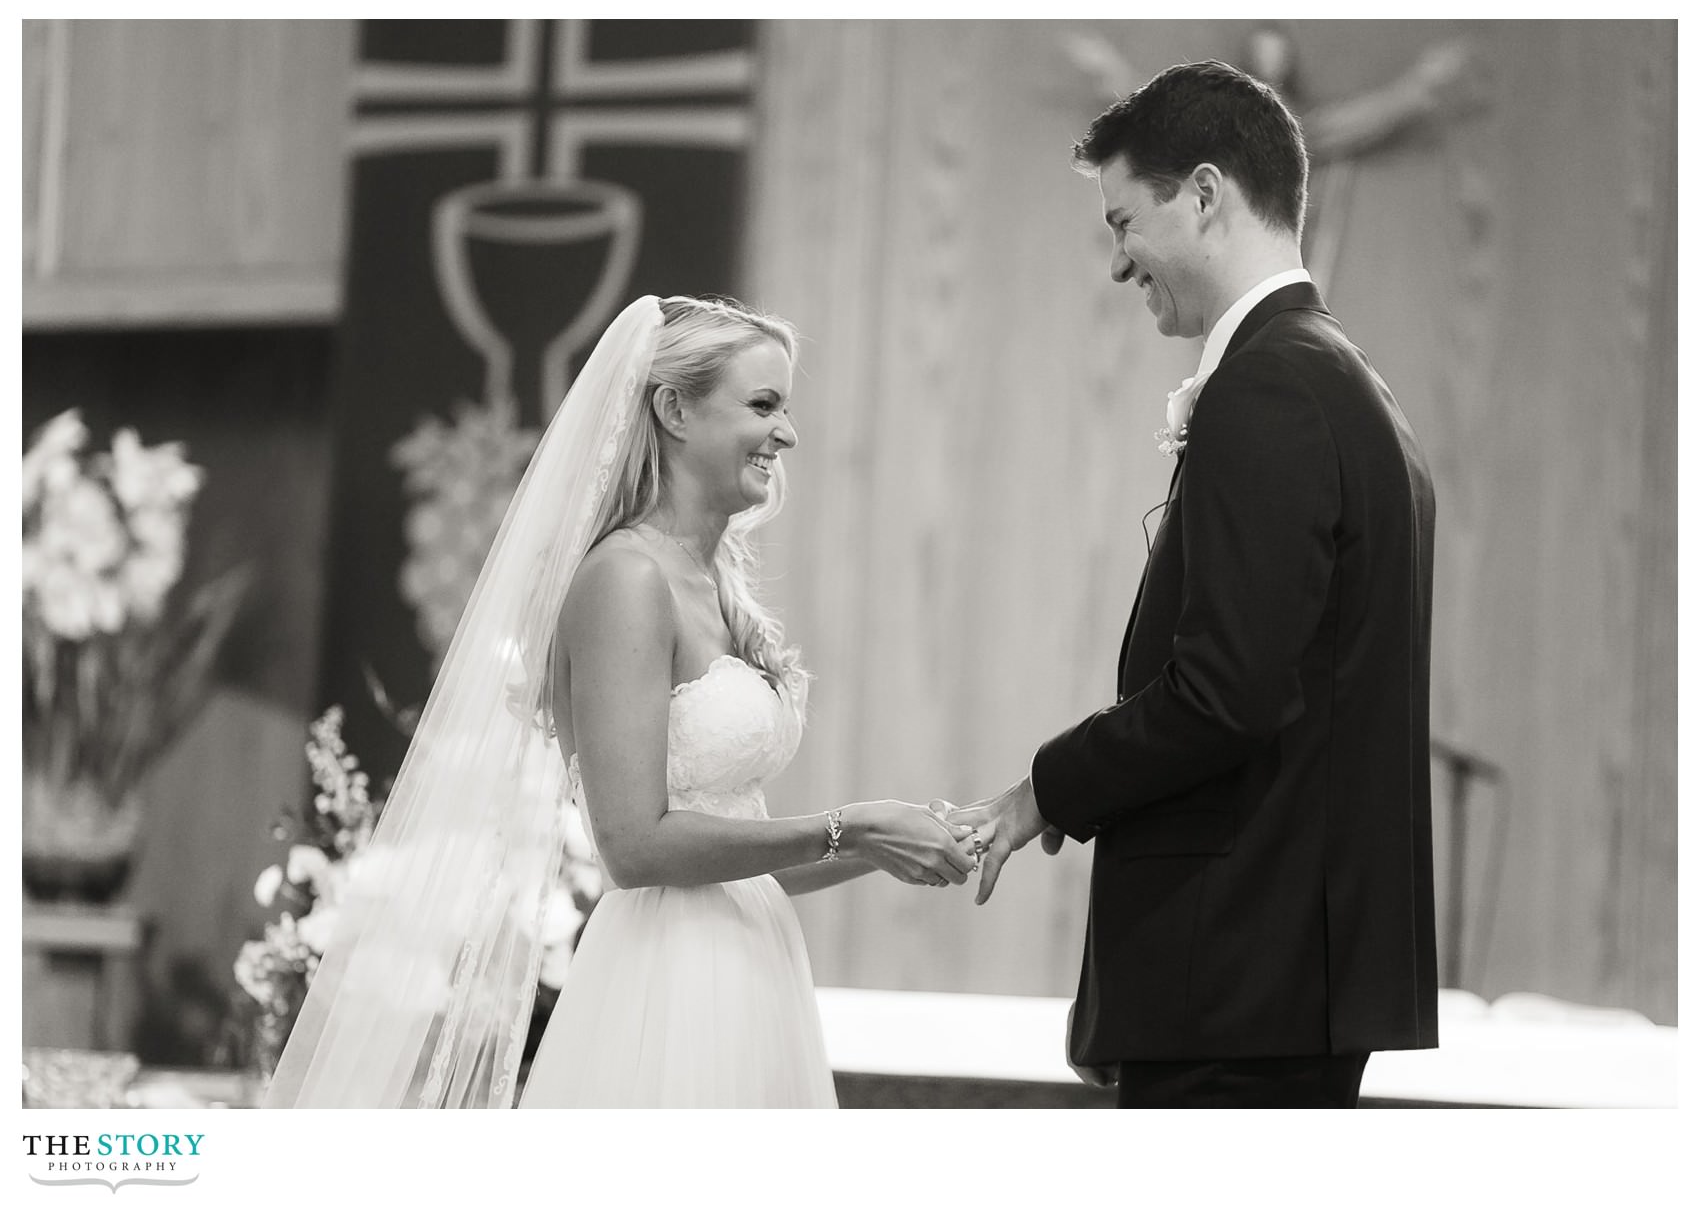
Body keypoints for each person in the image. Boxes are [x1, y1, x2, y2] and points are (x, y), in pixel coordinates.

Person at [264, 295, 978, 1109]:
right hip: (668, 985)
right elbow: (635, 844)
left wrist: (898, 838)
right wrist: (849, 824)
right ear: (674, 408)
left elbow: (737, 852)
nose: (788, 433)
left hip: (751, 964)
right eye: (763, 405)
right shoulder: (625, 578)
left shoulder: (712, 583)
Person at [952, 60, 1438, 1109]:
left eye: (1124, 222)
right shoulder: (1342, 378)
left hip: (1236, 974)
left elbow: (1224, 695)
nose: (1118, 264)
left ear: (1206, 192)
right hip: (1274, 975)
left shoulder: (1269, 386)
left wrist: (1044, 787)